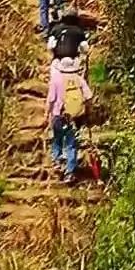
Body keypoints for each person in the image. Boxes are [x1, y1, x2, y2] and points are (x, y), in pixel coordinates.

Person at [47, 53, 92, 182]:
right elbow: (89, 97)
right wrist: (87, 110)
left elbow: (51, 99)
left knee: (57, 139)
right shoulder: (79, 79)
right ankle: (70, 173)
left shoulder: (55, 80)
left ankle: (57, 161)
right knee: (72, 144)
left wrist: (47, 114)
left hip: (58, 114)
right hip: (74, 117)